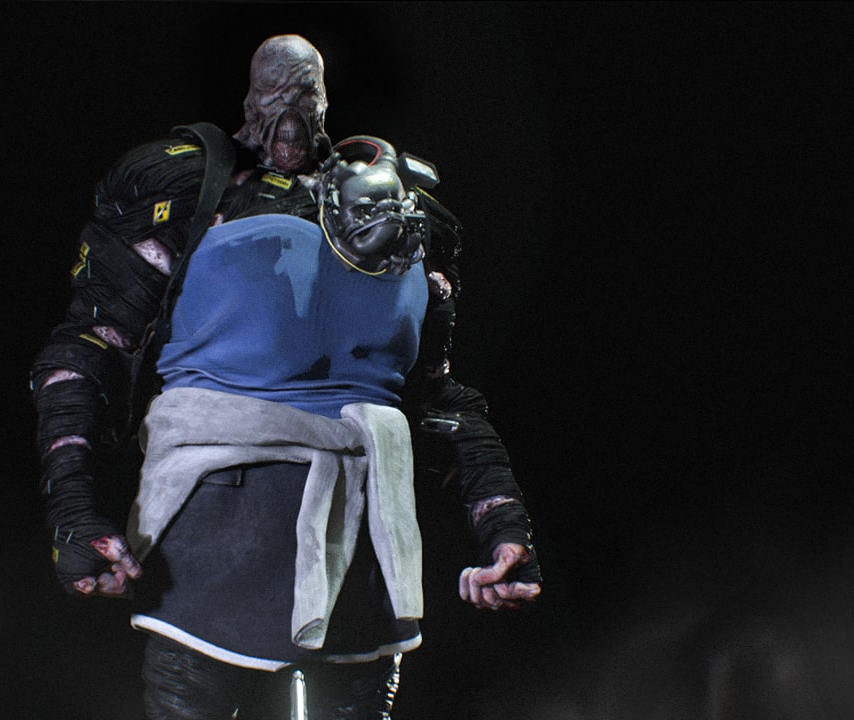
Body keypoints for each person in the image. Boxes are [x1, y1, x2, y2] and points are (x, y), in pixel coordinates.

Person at [30, 35, 542, 719]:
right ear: (249, 97)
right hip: (209, 547)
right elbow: (90, 349)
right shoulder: (189, 190)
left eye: (304, 97)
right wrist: (74, 512)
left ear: (325, 101)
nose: (291, 122)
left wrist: (503, 527)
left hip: (362, 553)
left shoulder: (406, 214)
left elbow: (435, 399)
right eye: (275, 96)